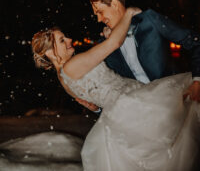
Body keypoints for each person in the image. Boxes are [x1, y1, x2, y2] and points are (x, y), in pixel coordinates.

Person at [32, 9, 200, 171]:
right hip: (134, 104)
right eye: (62, 40)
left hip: (119, 115)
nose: (69, 40)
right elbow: (114, 44)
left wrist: (96, 108)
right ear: (49, 52)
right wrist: (127, 14)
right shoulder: (72, 66)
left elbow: (93, 102)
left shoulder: (63, 78)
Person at [90, 0, 200, 103]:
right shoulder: (105, 44)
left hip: (176, 100)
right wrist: (97, 109)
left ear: (115, 5)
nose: (99, 19)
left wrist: (198, 82)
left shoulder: (149, 21)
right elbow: (112, 87)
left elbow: (196, 42)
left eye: (100, 12)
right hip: (138, 111)